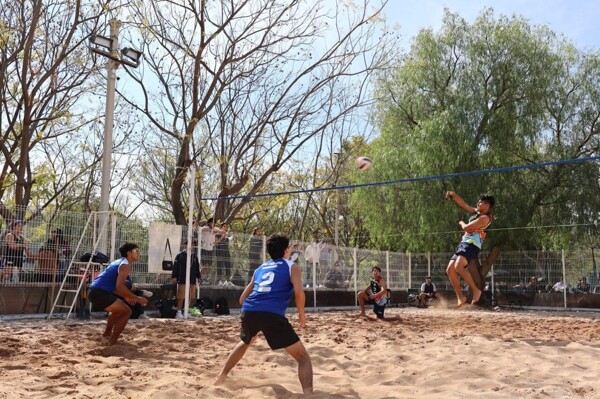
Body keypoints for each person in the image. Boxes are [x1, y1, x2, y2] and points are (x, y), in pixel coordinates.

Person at [214, 233, 313, 394]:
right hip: (271, 314)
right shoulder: (292, 266)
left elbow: (241, 299)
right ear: (286, 250)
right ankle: (309, 395)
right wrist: (301, 314)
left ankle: (221, 377)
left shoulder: (260, 268)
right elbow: (299, 293)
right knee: (303, 358)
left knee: (246, 342)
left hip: (249, 310)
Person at [88, 242, 148, 345]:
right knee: (127, 312)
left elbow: (115, 288)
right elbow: (119, 287)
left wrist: (127, 296)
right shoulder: (125, 265)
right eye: (136, 251)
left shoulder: (119, 262)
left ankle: (107, 334)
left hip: (95, 292)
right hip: (100, 293)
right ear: (129, 253)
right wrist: (137, 299)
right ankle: (112, 341)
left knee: (118, 311)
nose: (139, 253)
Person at [445, 191, 495, 308]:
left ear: (487, 205)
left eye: (481, 202)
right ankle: (460, 297)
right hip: (464, 243)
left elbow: (467, 227)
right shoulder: (476, 212)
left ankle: (476, 291)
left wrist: (461, 223)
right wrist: (453, 195)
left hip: (472, 245)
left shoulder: (485, 219)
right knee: (450, 270)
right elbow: (464, 205)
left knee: (458, 267)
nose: (478, 203)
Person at [171, 243, 201, 319]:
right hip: (182, 279)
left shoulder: (194, 256)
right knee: (181, 296)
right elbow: (175, 266)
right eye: (190, 244)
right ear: (185, 245)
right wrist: (174, 276)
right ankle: (178, 312)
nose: (191, 246)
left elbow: (197, 267)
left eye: (193, 245)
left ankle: (186, 311)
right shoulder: (180, 255)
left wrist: (199, 277)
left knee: (191, 296)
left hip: (192, 279)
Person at [199, 218, 223, 284]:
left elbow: (221, 231)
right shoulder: (205, 228)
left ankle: (205, 278)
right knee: (204, 265)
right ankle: (200, 278)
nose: (213, 224)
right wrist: (212, 230)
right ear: (209, 223)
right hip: (204, 248)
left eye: (214, 223)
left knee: (209, 265)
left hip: (210, 249)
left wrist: (221, 233)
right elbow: (202, 229)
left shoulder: (215, 229)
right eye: (212, 222)